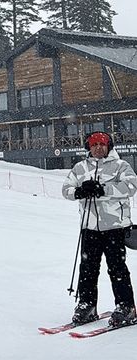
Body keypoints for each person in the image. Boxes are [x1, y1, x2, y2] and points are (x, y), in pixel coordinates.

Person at [63, 131, 137, 328]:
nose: (98, 147)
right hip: (89, 228)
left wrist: (103, 189)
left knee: (117, 269)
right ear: (89, 147)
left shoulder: (121, 166)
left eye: (102, 144)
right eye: (94, 144)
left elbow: (131, 186)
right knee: (88, 268)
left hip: (115, 227)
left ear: (109, 146)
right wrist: (79, 191)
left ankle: (126, 307)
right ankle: (87, 305)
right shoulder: (80, 168)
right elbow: (66, 189)